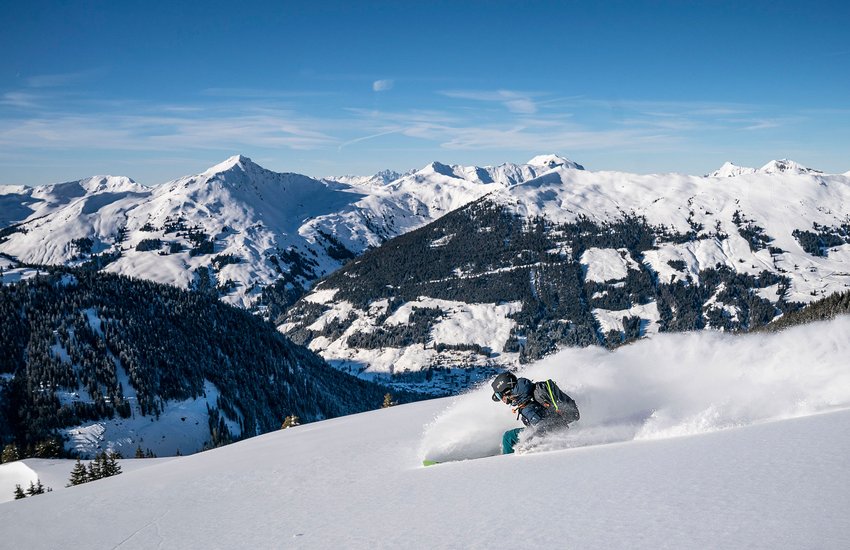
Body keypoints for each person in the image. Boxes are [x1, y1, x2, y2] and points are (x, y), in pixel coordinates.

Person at [491, 372, 578, 454]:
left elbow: (545, 427)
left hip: (554, 430)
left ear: (506, 391)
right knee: (508, 436)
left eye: (499, 396)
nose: (501, 400)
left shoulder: (527, 404)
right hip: (545, 427)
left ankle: (508, 463)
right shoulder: (525, 395)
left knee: (508, 438)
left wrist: (527, 444)